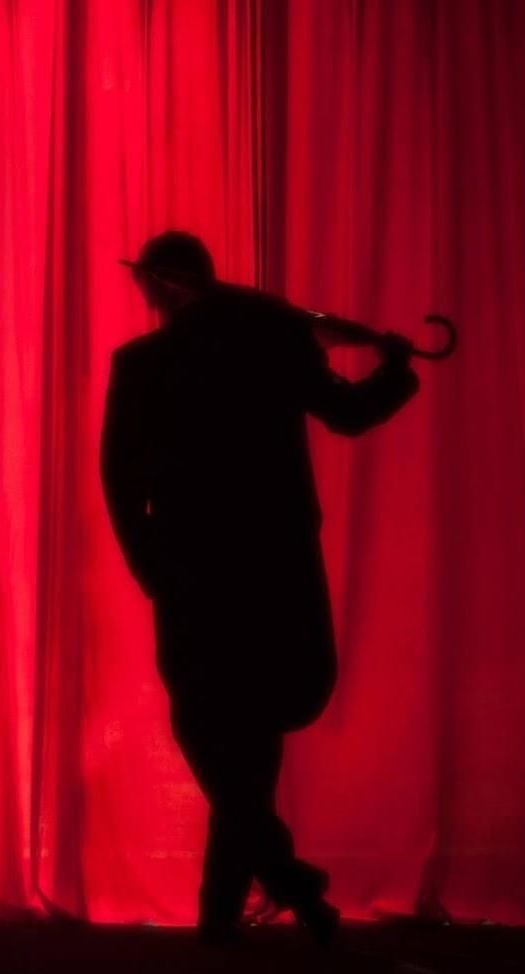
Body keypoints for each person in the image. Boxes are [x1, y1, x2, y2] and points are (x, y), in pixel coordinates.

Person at [100, 231, 420, 947]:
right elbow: (348, 412)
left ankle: (254, 903)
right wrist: (396, 370)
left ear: (159, 287)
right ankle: (277, 898)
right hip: (273, 571)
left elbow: (120, 480)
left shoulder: (144, 364)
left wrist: (151, 566)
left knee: (215, 740)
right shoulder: (274, 341)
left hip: (194, 577)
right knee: (247, 748)